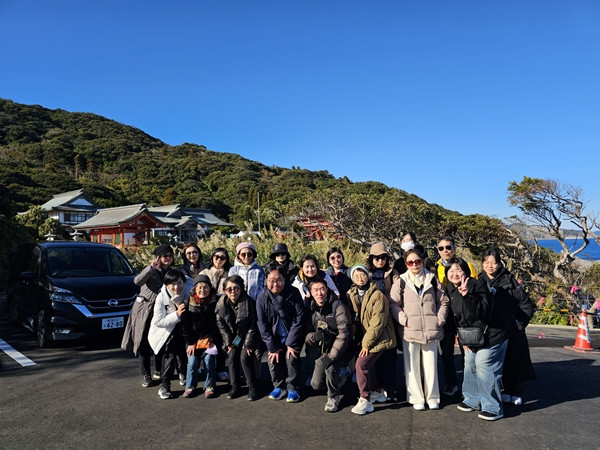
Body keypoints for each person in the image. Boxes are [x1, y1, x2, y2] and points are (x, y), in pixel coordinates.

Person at [445, 257, 509, 421]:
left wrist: (467, 296)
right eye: (451, 271)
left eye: (458, 270)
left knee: (483, 363)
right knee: (469, 364)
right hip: (473, 337)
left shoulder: (476, 285)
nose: (454, 274)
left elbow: (482, 312)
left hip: (493, 334)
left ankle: (493, 407)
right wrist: (463, 339)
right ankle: (472, 399)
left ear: (465, 271)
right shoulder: (451, 290)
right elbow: (457, 318)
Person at [389, 249, 449, 410]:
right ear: (406, 264)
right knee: (411, 366)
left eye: (417, 261)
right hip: (410, 329)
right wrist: (402, 318)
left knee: (431, 366)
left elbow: (444, 301)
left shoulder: (432, 279)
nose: (414, 264)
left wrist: (439, 319)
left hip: (431, 328)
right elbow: (393, 303)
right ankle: (416, 397)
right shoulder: (401, 281)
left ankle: (433, 397)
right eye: (410, 262)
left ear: (422, 261)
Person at [479, 248, 536, 406]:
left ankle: (516, 391)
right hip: (492, 330)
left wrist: (521, 322)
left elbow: (526, 304)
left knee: (515, 360)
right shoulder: (479, 281)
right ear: (482, 264)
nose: (490, 265)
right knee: (497, 363)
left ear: (499, 263)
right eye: (487, 262)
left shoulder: (509, 280)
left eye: (494, 262)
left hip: (512, 328)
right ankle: (503, 390)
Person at [122, 244, 174, 387]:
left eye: (170, 255)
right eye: (165, 256)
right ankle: (145, 374)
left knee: (160, 341)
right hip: (145, 310)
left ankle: (158, 369)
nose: (168, 258)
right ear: (158, 257)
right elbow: (137, 281)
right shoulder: (150, 270)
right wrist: (151, 268)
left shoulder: (171, 272)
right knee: (144, 343)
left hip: (161, 312)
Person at [347, 264, 396, 415]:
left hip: (380, 337)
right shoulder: (354, 293)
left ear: (368, 275)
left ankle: (365, 399)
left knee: (361, 364)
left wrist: (366, 344)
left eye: (362, 274)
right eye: (356, 275)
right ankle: (377, 392)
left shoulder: (377, 295)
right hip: (368, 336)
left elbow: (377, 322)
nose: (359, 278)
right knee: (368, 366)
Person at [435, 235, 478, 397]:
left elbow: (474, 287)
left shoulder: (467, 266)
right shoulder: (435, 267)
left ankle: (469, 385)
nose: (445, 250)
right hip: (446, 315)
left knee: (467, 351)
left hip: (463, 315)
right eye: (441, 248)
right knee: (446, 353)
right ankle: (451, 383)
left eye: (448, 247)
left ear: (454, 248)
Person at [256, 267, 306, 403]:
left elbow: (299, 318)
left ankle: (293, 388)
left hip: (292, 334)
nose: (275, 284)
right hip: (275, 335)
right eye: (271, 280)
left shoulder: (293, 293)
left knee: (292, 357)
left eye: (279, 280)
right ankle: (279, 386)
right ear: (266, 280)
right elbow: (262, 323)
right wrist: (272, 345)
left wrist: (290, 343)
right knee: (273, 357)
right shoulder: (261, 298)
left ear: (284, 280)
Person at [305, 278, 353, 412]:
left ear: (327, 290)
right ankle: (343, 375)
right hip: (323, 349)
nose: (319, 293)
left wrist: (331, 356)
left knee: (330, 367)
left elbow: (344, 333)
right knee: (316, 385)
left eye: (322, 289)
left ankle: (333, 397)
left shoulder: (337, 305)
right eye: (316, 290)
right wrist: (315, 336)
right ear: (311, 292)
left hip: (342, 349)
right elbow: (306, 335)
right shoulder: (310, 309)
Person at [215, 275, 265, 401]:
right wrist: (230, 343)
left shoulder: (249, 302)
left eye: (236, 288)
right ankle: (235, 386)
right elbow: (222, 326)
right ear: (225, 290)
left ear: (241, 289)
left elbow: (254, 325)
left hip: (250, 336)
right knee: (232, 356)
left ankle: (252, 387)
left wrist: (248, 344)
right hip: (235, 338)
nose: (233, 291)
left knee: (244, 357)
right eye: (229, 289)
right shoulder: (221, 304)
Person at [148, 269, 191, 399]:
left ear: (184, 282)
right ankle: (165, 386)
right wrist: (177, 314)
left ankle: (183, 374)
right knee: (170, 357)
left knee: (183, 355)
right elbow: (158, 322)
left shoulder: (189, 292)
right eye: (172, 284)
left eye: (179, 283)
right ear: (166, 284)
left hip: (185, 330)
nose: (176, 287)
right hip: (167, 332)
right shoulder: (162, 297)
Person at [366, 242, 398, 402]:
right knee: (375, 356)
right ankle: (378, 387)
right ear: (371, 258)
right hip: (372, 321)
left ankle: (390, 388)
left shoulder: (393, 274)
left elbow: (399, 293)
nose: (380, 260)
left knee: (390, 355)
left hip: (390, 319)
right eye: (377, 257)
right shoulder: (366, 274)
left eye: (383, 257)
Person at [180, 274, 221, 398]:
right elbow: (185, 326)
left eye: (205, 287)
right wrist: (190, 342)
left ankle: (210, 386)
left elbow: (218, 324)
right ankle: (190, 386)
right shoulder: (188, 303)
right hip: (193, 340)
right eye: (200, 287)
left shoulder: (216, 302)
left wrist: (213, 340)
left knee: (209, 361)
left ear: (210, 288)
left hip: (209, 339)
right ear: (195, 289)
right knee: (192, 362)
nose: (203, 290)